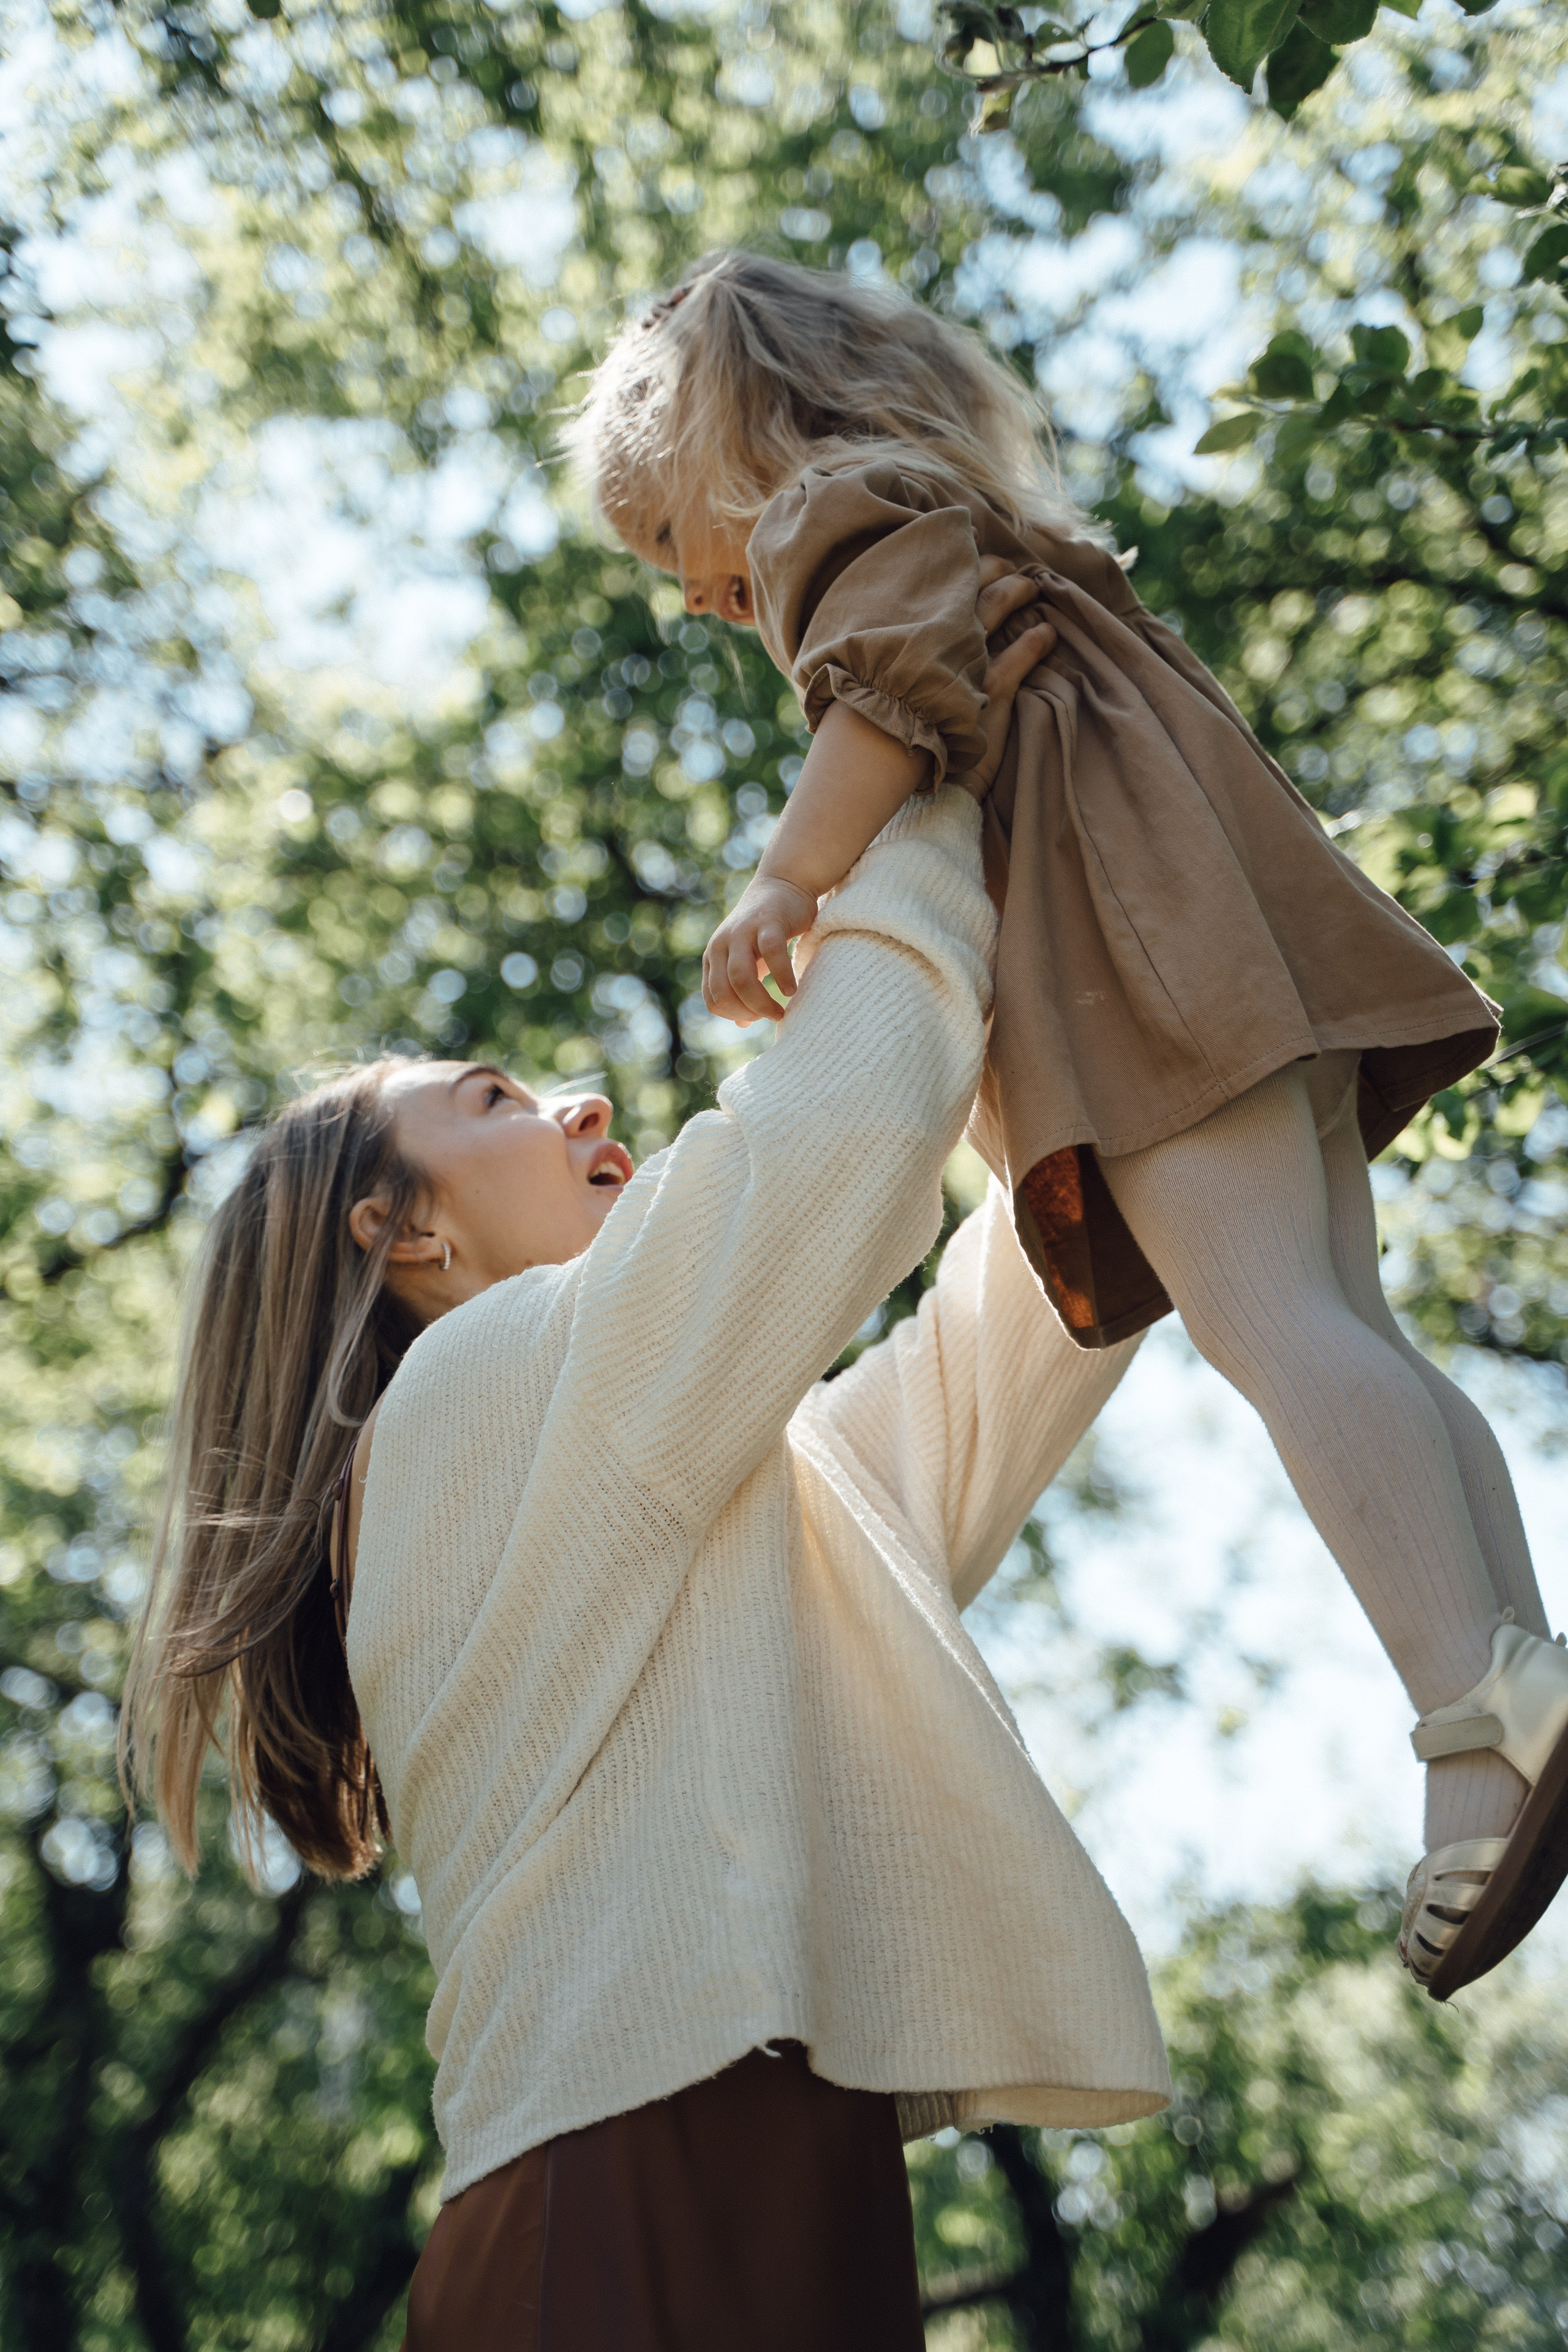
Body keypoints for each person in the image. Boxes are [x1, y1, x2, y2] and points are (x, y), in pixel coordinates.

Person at [121, 574, 1173, 2349]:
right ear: (397, 1234)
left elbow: (1001, 1354)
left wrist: (1140, 1051)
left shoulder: (676, 1473)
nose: (583, 1105)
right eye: (496, 1100)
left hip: (754, 2165)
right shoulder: (469, 1402)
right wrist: (918, 797)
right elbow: (832, 1137)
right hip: (619, 2182)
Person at [567, 246, 1568, 2005]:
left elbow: (888, 688)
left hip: (1133, 957)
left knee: (1281, 1339)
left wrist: (788, 881)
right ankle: (1521, 1670)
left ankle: (1471, 1724)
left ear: (732, 443)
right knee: (1349, 1327)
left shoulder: (829, 520)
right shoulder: (953, 507)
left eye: (670, 544)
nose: (696, 598)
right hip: (1229, 937)